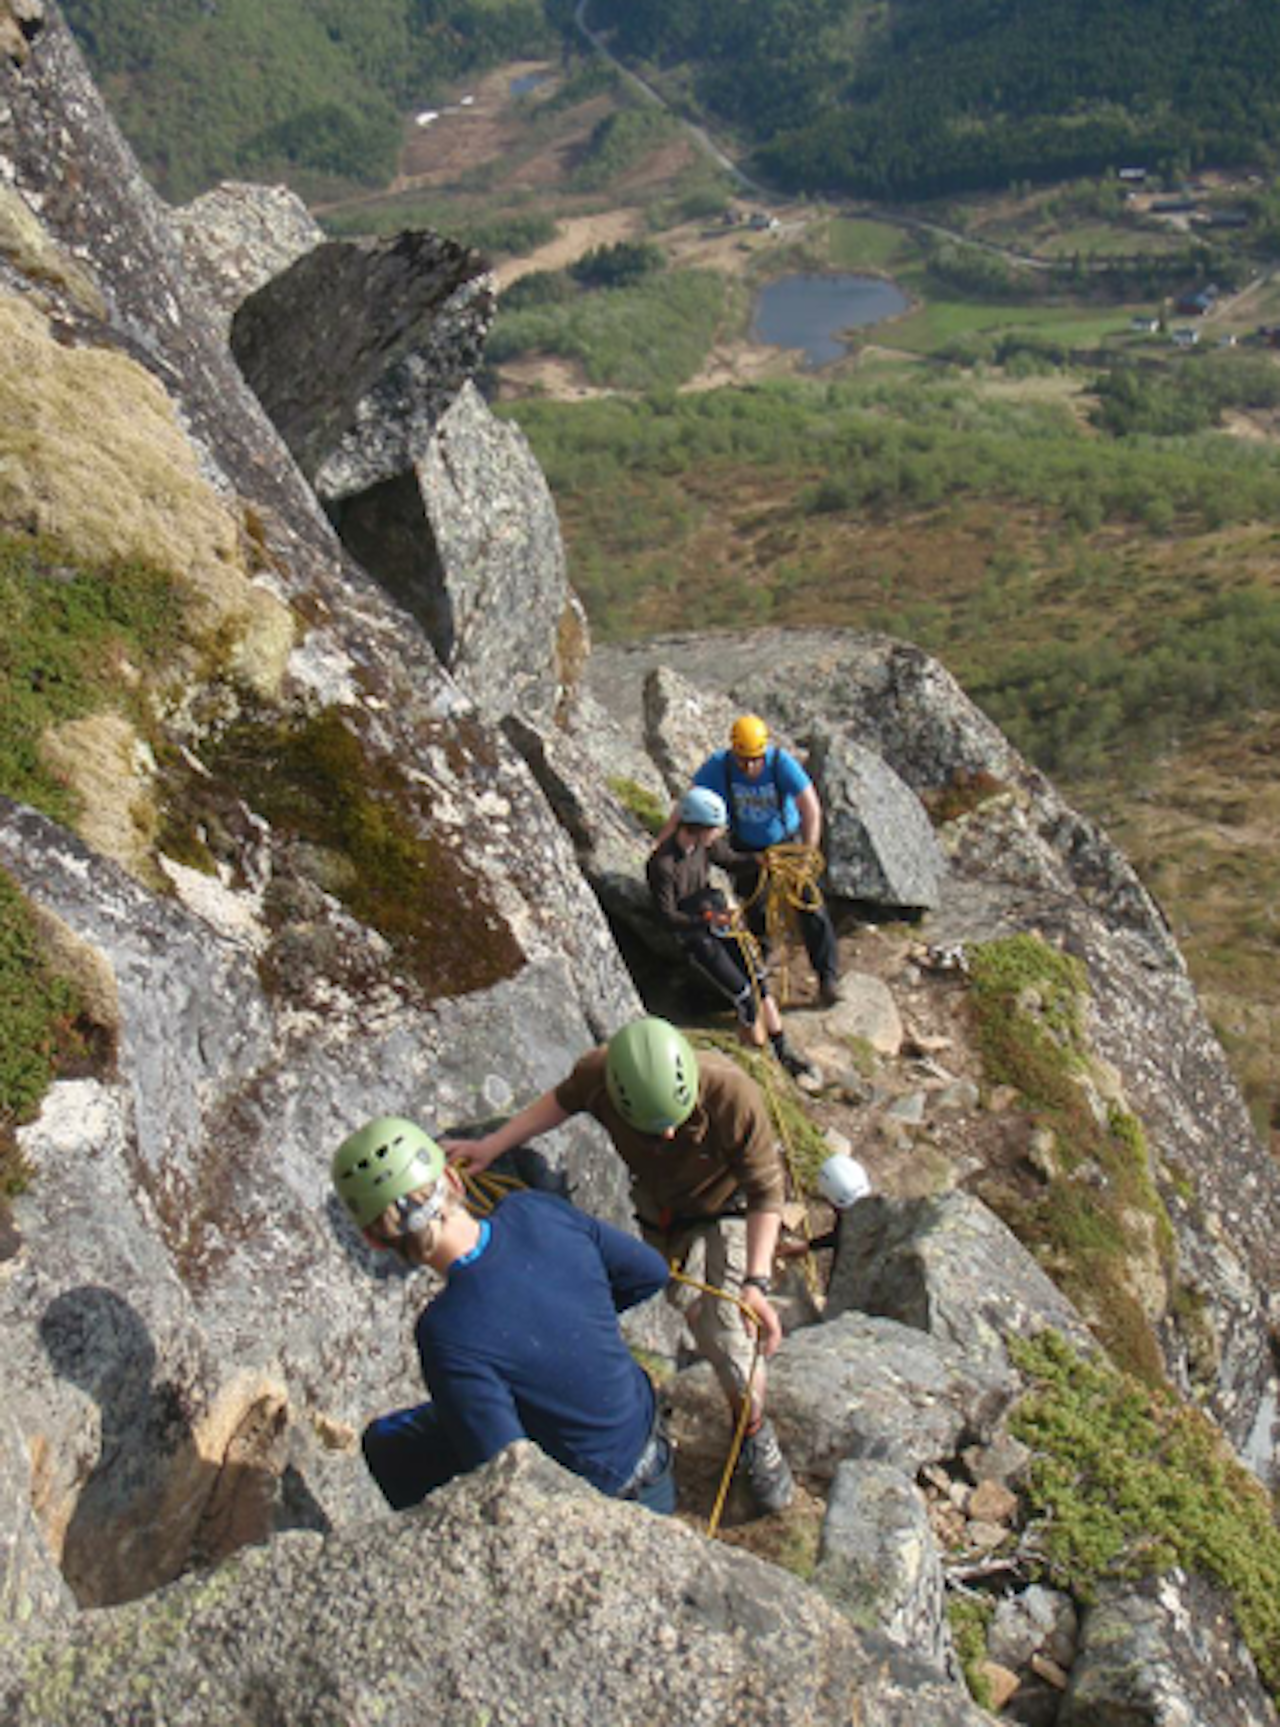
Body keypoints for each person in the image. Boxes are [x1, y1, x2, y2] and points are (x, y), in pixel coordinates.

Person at [445, 1017, 796, 1515]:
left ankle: (757, 1437)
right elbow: (558, 1103)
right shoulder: (598, 1075)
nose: (670, 1133)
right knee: (689, 1308)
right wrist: (491, 1146)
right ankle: (715, 1373)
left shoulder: (732, 1094)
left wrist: (755, 1283)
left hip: (728, 1206)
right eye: (655, 1126)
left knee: (729, 1333)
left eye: (675, 1120)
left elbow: (766, 1193)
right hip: (663, 1212)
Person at [332, 1115, 676, 1514]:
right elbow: (650, 1272)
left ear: (374, 1240)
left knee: (388, 1447)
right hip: (652, 1453)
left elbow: (500, 1465)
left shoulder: (447, 1331)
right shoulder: (534, 1211)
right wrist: (574, 1319)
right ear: (454, 1180)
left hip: (597, 1503)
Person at [658, 714, 841, 1007]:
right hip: (747, 847)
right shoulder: (720, 766)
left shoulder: (780, 764)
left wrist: (807, 855)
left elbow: (810, 807)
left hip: (785, 844)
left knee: (810, 905)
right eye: (743, 760)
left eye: (755, 760)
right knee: (756, 907)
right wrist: (663, 844)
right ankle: (760, 966)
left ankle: (827, 978)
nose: (750, 767)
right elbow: (688, 805)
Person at [647, 785, 812, 1079]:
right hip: (696, 935)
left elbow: (732, 861)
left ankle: (781, 1046)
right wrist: (705, 920)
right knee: (744, 995)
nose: (719, 834)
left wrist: (759, 860)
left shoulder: (705, 846)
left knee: (758, 979)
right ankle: (757, 1057)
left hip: (715, 918)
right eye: (715, 829)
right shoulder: (662, 865)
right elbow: (667, 916)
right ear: (698, 827)